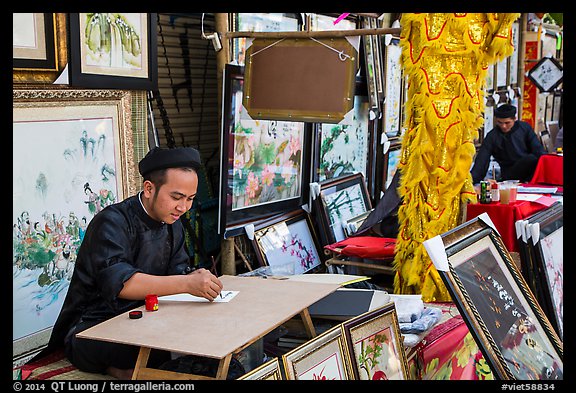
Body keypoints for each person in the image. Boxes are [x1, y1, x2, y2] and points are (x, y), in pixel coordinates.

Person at [31, 146, 223, 380]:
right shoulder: (111, 222)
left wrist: (195, 280)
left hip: (146, 317)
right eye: (176, 197)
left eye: (190, 199)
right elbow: (123, 284)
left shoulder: (173, 223)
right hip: (95, 326)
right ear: (149, 188)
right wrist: (187, 283)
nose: (183, 208)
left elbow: (178, 273)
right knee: (146, 350)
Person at [471, 104, 546, 186]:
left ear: (514, 119)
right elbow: (482, 161)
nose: (503, 126)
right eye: (500, 122)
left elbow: (538, 150)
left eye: (507, 123)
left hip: (530, 170)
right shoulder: (492, 136)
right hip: (509, 174)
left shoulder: (525, 128)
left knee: (533, 158)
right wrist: (472, 182)